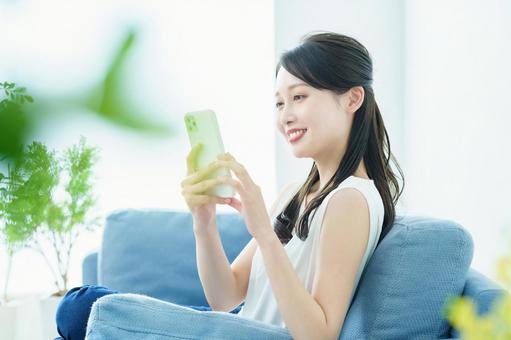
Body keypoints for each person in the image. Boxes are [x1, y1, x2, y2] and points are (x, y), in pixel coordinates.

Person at [55, 31, 404, 340]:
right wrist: (203, 221)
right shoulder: (296, 194)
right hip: (234, 323)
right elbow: (226, 296)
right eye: (279, 103)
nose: (285, 116)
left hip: (246, 333)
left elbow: (319, 333)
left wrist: (266, 234)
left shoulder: (351, 199)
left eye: (299, 97)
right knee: (79, 316)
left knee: (79, 307)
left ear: (352, 99)